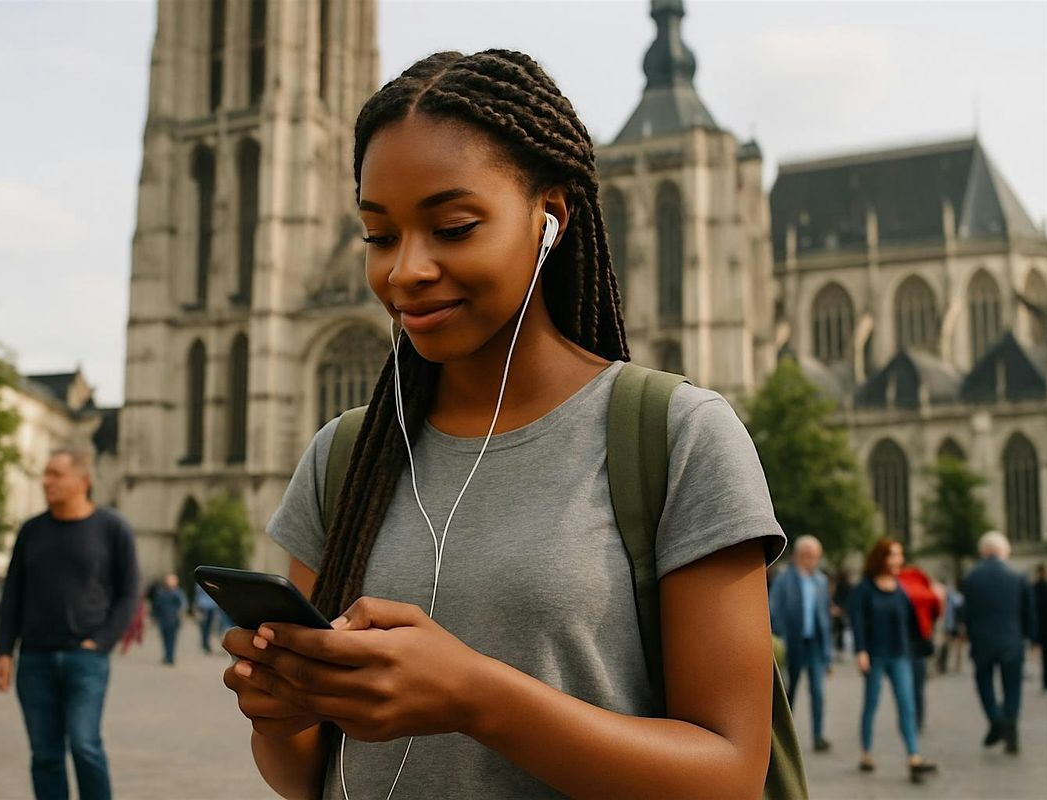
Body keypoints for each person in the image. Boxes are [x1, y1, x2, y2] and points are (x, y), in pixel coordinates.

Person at [221, 50, 790, 799]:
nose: (405, 272)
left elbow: (730, 777)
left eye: (453, 228)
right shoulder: (346, 456)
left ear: (548, 221)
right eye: (379, 236)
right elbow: (306, 776)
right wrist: (280, 713)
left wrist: (475, 697)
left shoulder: (679, 436)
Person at [0, 447, 140, 800]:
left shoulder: (112, 528)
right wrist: (3, 652)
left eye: (56, 474)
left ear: (83, 481)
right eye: (45, 473)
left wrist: (101, 641)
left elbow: (129, 592)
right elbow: (13, 593)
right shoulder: (31, 531)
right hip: (34, 660)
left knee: (85, 745)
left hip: (85, 658)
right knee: (45, 756)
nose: (46, 481)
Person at [850, 538, 937, 784]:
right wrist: (861, 650)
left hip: (901, 654)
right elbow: (857, 621)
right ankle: (866, 753)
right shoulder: (864, 589)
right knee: (872, 704)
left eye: (900, 555)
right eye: (894, 555)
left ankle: (914, 757)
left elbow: (913, 619)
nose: (899, 560)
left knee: (907, 706)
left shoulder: (901, 586)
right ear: (881, 558)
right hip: (875, 655)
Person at [961, 531, 1036, 754]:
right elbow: (1028, 612)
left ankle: (995, 719)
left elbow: (967, 613)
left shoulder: (972, 577)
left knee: (985, 685)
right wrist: (1032, 638)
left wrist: (967, 634)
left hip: (982, 642)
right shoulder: (1018, 576)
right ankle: (1010, 723)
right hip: (1012, 642)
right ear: (1006, 551)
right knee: (1013, 688)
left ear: (983, 551)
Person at [769, 535, 833, 751]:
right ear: (798, 556)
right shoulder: (785, 579)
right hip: (792, 643)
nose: (811, 561)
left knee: (818, 691)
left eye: (815, 557)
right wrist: (780, 635)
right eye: (807, 556)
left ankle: (818, 736)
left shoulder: (821, 581)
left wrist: (828, 654)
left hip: (813, 643)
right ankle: (787, 740)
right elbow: (773, 609)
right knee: (789, 692)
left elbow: (825, 617)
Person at [896, 563, 943, 731]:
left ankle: (907, 718)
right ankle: (918, 719)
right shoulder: (923, 585)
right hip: (920, 641)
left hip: (901, 643)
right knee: (918, 685)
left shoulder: (898, 583)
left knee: (903, 685)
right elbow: (937, 607)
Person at [151, 574, 186, 665]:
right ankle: (167, 655)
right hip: (163, 620)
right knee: (165, 639)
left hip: (173, 620)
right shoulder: (161, 593)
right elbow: (156, 606)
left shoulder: (177, 593)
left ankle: (170, 656)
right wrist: (154, 617)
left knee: (172, 639)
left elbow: (182, 605)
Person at [1034, 563, 1047, 692]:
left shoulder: (1034, 588)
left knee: (1045, 656)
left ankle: (1046, 682)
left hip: (1041, 626)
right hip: (1045, 626)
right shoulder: (1045, 588)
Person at [195, 582, 220, 654]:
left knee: (209, 627)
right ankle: (205, 643)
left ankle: (206, 643)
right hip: (204, 608)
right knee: (204, 627)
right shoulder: (200, 582)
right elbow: (198, 596)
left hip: (212, 607)